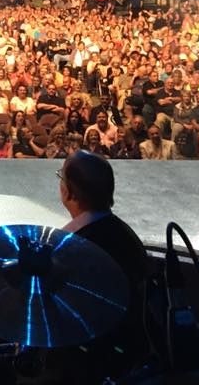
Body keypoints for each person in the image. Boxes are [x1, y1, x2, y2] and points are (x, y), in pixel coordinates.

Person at [57, 151, 151, 378]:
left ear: (69, 191)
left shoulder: (69, 249)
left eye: (60, 177)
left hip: (84, 369)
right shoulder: (124, 234)